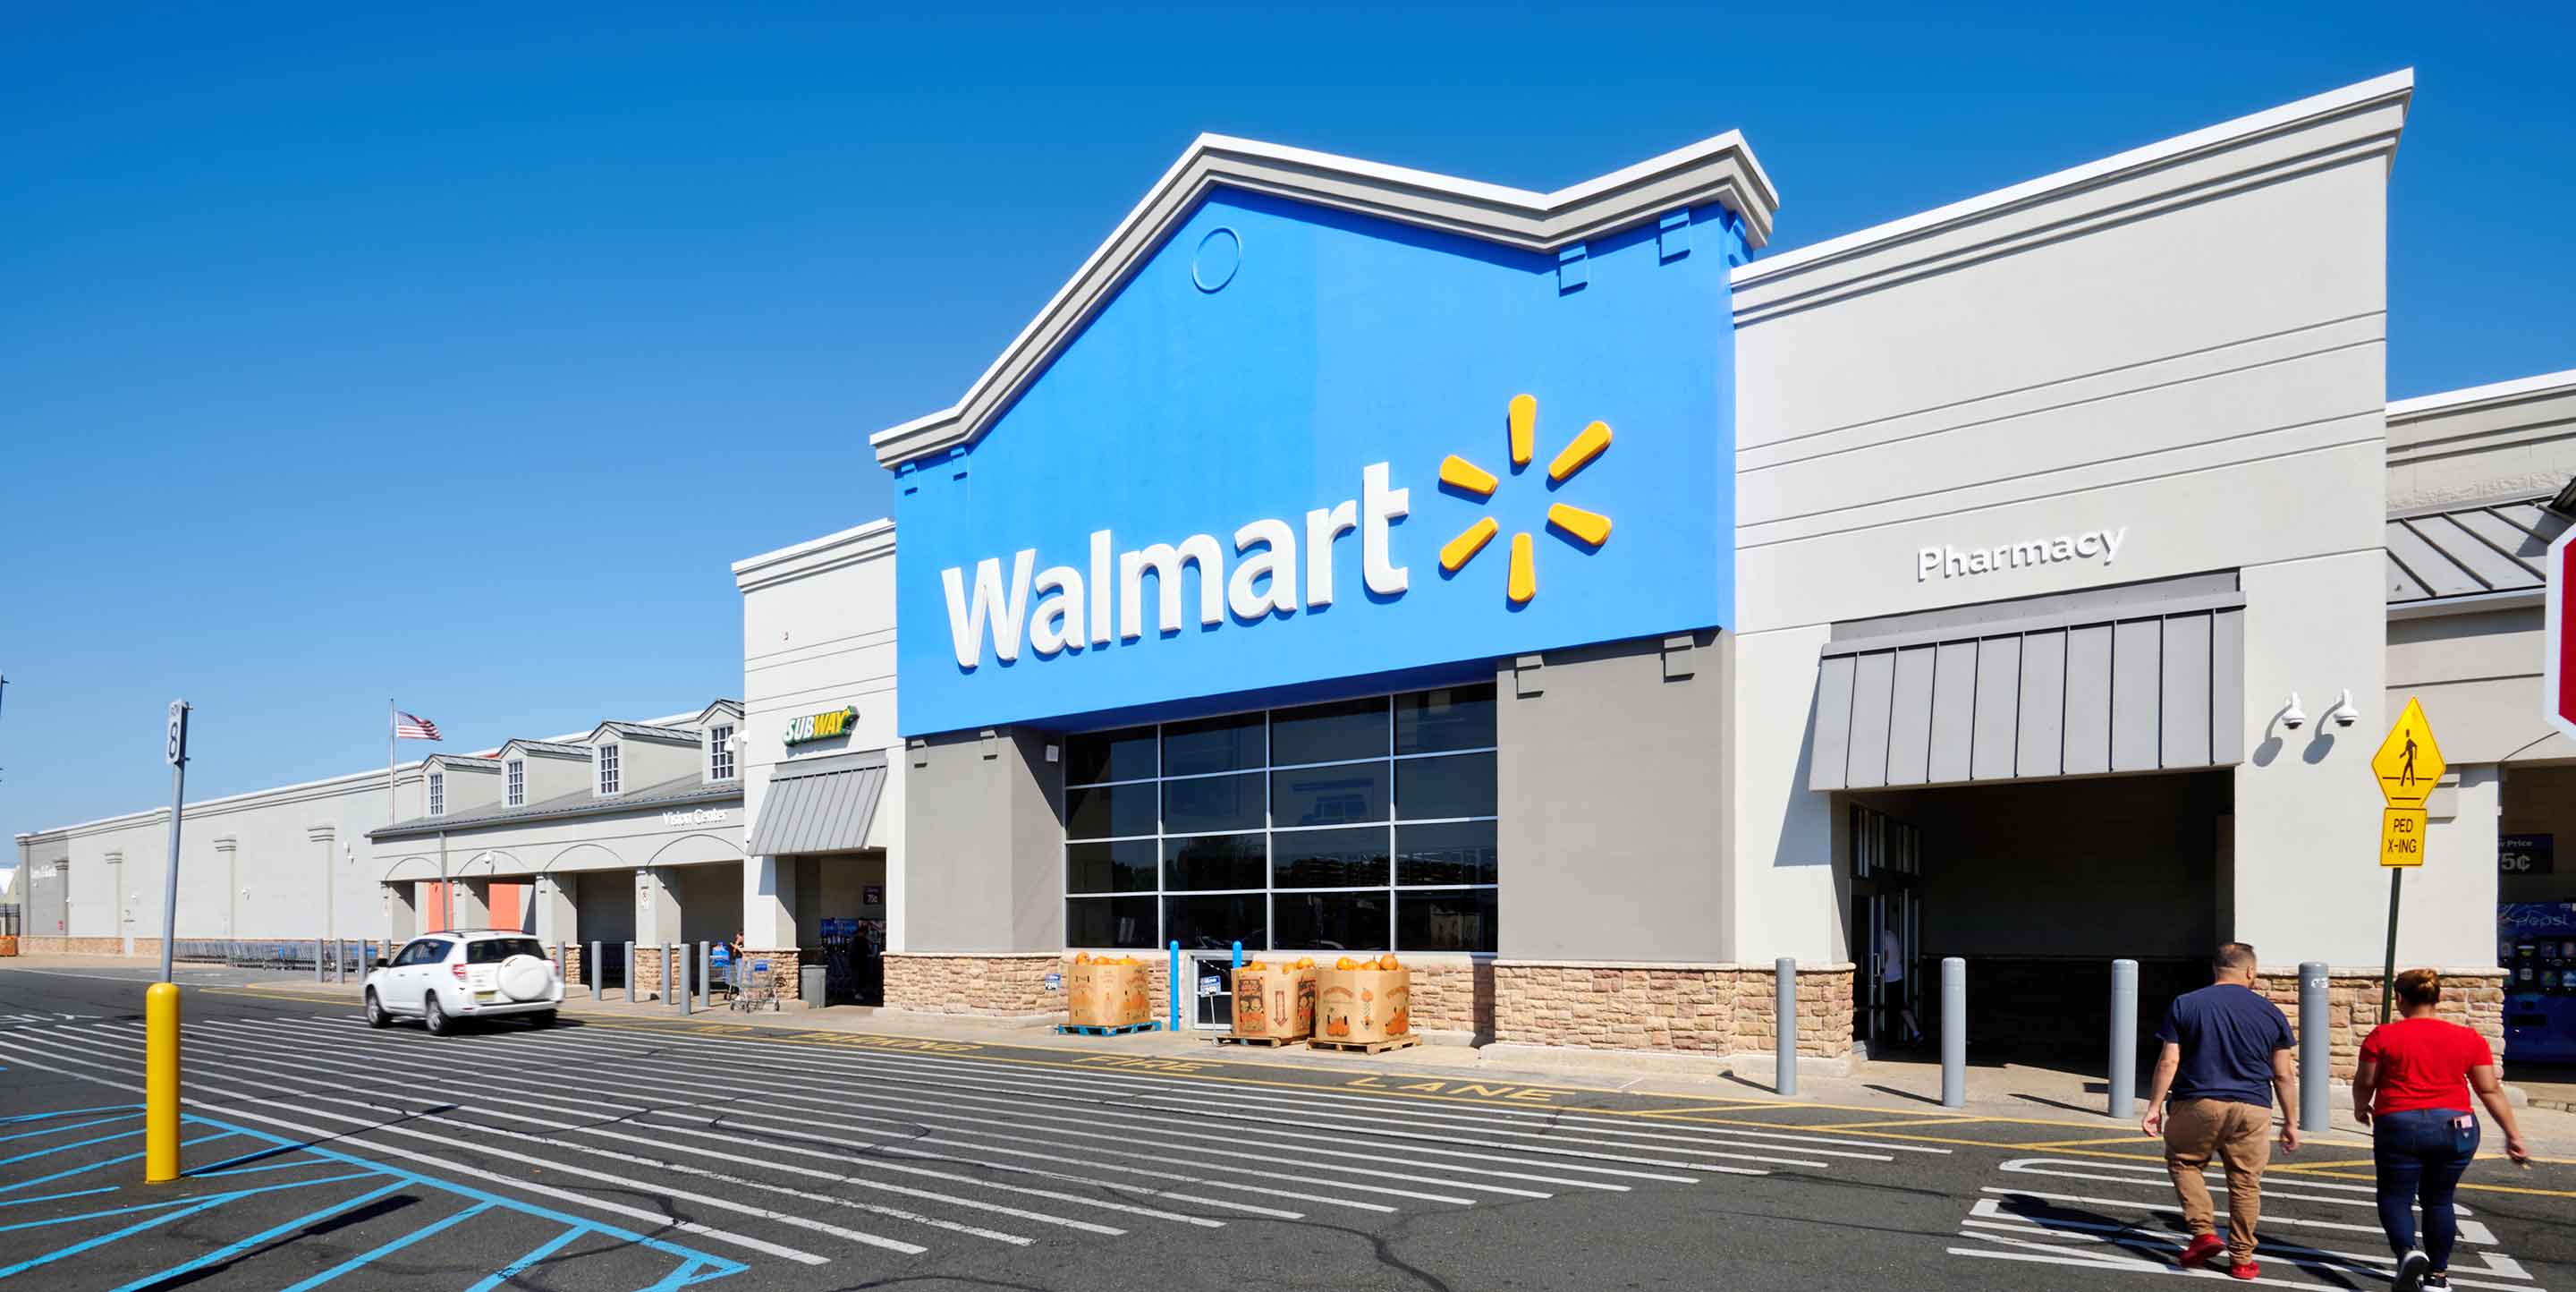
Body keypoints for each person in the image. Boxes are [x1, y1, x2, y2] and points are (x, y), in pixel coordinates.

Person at [2354, 968, 2532, 1292]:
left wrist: (2360, 1107)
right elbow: (2489, 1090)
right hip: (2456, 1128)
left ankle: (2407, 1253)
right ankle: (2438, 1276)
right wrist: (2513, 1135)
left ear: (2399, 999)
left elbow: (2366, 1081)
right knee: (2439, 1200)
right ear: (2438, 999)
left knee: (2396, 1196)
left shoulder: (2383, 1036)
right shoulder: (2468, 1038)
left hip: (2400, 1124)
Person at [2140, 942, 2300, 1280]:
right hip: (2254, 1107)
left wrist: (2154, 1106)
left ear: (2215, 969)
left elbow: (2170, 1060)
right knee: (2245, 1182)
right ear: (2251, 972)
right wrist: (2291, 1121)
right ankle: (2242, 1260)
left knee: (2185, 1162)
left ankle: (2204, 1233)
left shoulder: (2187, 1003)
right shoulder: (2271, 1012)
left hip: (2199, 1102)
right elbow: (2284, 1074)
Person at [1878, 924, 1922, 1045]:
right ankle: (1916, 1032)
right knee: (1901, 1007)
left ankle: (1880, 1036)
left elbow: (1885, 956)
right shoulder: (1892, 935)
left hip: (1888, 978)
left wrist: (1878, 969)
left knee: (1883, 1007)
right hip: (1897, 976)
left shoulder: (1883, 937)